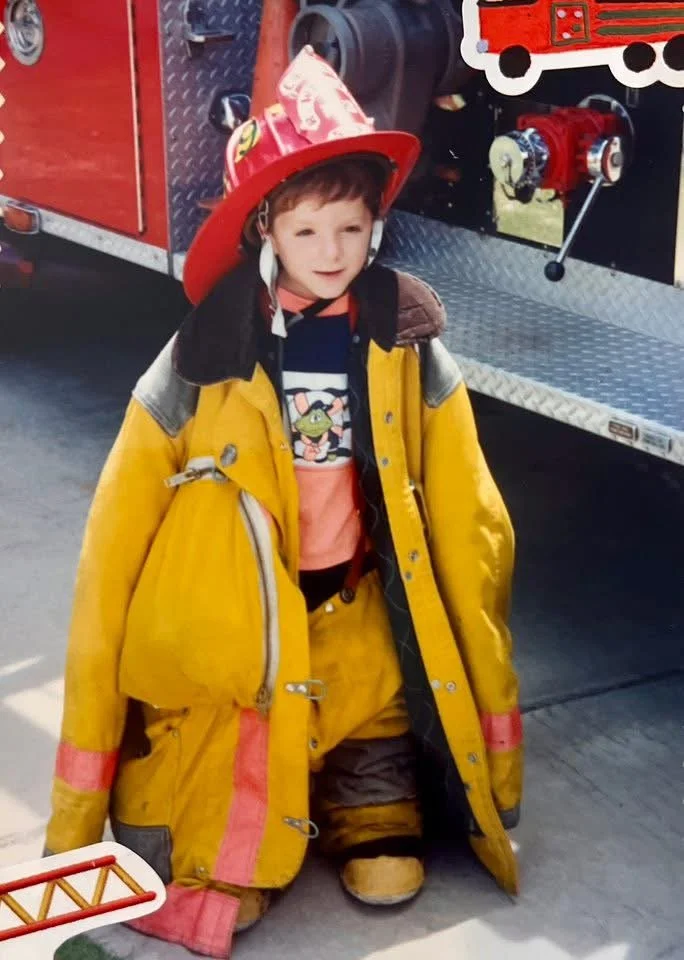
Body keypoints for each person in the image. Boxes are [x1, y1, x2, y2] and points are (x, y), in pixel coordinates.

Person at [44, 48, 522, 959]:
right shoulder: (200, 355)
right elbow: (114, 538)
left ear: (375, 228)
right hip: (250, 649)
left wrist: (491, 749)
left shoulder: (405, 340)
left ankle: (367, 797)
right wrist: (75, 817)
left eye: (350, 229)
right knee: (228, 820)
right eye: (307, 234)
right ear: (266, 230)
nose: (332, 254)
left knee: (372, 735)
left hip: (355, 615)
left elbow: (472, 515)